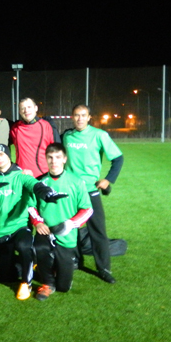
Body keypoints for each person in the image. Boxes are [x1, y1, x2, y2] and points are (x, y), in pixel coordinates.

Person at [0, 144, 67, 300]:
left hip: (19, 226)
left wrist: (47, 193)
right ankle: (31, 261)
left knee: (24, 246)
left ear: (8, 156)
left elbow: (35, 185)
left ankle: (26, 283)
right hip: (0, 230)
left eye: (1, 154)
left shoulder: (21, 175)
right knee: (5, 276)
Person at [62, 104, 124, 284]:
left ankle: (104, 268)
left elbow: (118, 158)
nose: (80, 118)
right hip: (70, 191)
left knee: (97, 231)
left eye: (83, 115)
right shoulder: (67, 136)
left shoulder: (99, 135)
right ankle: (75, 260)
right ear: (72, 117)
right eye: (76, 115)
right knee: (70, 227)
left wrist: (108, 180)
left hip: (90, 190)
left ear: (89, 117)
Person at [29, 143, 93, 300]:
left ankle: (57, 269)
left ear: (64, 159)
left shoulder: (76, 182)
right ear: (46, 159)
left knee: (63, 287)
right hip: (46, 231)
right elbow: (31, 206)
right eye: (50, 157)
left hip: (66, 234)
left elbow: (87, 209)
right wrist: (38, 223)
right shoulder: (39, 183)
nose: (54, 161)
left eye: (58, 157)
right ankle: (47, 283)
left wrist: (70, 224)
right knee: (40, 247)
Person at [9, 97, 61, 177]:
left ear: (36, 108)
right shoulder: (15, 128)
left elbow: (58, 151)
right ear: (19, 111)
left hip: (43, 176)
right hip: (22, 176)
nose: (26, 110)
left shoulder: (46, 126)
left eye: (29, 107)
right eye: (23, 108)